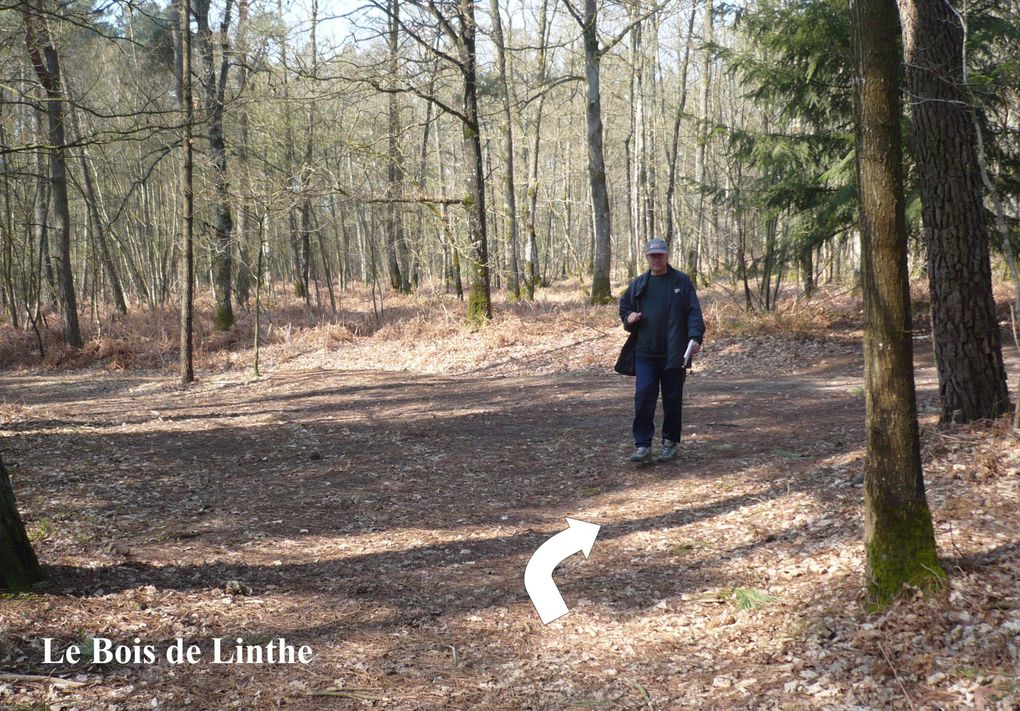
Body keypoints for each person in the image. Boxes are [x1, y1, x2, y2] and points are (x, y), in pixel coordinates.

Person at [614, 238, 705, 463]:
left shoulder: (681, 281)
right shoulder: (639, 283)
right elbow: (624, 307)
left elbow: (694, 312)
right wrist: (629, 318)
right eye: (652, 255)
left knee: (672, 398)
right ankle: (642, 445)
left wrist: (695, 338)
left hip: (674, 352)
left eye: (660, 255)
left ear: (667, 256)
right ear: (647, 257)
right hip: (644, 351)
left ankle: (670, 442)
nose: (656, 259)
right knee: (644, 396)